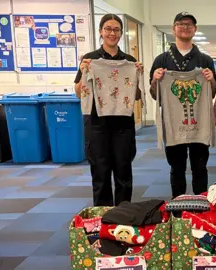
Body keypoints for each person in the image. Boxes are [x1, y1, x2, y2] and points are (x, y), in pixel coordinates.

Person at [74, 14, 143, 206]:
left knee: (124, 173)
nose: (112, 33)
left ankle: (123, 215)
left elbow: (136, 96)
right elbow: (79, 93)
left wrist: (137, 74)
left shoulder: (129, 61)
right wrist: (83, 71)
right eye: (108, 29)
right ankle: (102, 219)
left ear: (121, 33)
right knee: (100, 173)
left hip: (123, 124)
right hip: (97, 124)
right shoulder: (89, 59)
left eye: (116, 29)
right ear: (100, 32)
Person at [149, 12, 216, 198]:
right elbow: (155, 95)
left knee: (200, 167)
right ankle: (178, 208)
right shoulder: (161, 60)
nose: (185, 27)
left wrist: (211, 81)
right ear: (173, 28)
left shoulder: (205, 60)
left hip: (199, 124)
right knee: (176, 168)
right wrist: (155, 80)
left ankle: (201, 206)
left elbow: (212, 94)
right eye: (180, 24)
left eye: (189, 24)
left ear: (195, 29)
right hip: (172, 125)